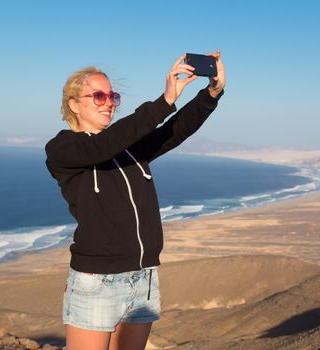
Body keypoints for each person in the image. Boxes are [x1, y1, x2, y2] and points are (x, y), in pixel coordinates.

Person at [45, 51, 225, 350]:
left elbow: (174, 130)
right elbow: (103, 147)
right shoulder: (63, 148)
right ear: (74, 104)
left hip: (143, 278)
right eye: (98, 96)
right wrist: (164, 101)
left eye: (112, 96)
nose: (109, 104)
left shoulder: (128, 149)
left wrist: (211, 94)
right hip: (97, 280)